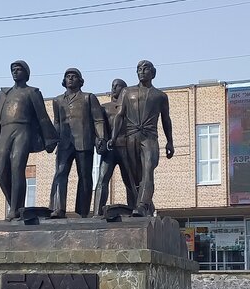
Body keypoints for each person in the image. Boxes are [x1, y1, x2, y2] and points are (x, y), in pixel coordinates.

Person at [0, 60, 58, 220]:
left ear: (26, 73)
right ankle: (14, 205)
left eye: (19, 69)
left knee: (17, 167)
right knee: (1, 168)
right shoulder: (3, 94)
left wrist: (50, 138)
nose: (15, 71)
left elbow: (42, 116)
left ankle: (16, 210)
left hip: (22, 131)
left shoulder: (32, 92)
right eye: (13, 69)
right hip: (5, 131)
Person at [109, 60, 174, 217]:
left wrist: (170, 141)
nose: (142, 71)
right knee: (135, 176)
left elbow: (166, 119)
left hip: (149, 138)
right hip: (131, 138)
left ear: (153, 72)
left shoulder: (160, 96)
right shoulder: (127, 92)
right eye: (139, 69)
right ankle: (147, 207)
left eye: (146, 68)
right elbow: (119, 115)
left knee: (148, 170)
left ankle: (142, 205)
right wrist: (113, 137)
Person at [48, 68, 106, 218]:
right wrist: (51, 140)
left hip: (84, 142)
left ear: (80, 81)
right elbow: (57, 123)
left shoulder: (88, 98)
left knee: (85, 177)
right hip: (64, 143)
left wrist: (101, 137)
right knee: (60, 174)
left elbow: (98, 120)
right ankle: (58, 209)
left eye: (74, 76)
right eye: (68, 76)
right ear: (64, 80)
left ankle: (82, 212)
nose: (71, 79)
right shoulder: (58, 100)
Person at [93, 79, 137, 215]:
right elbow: (98, 128)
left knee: (130, 181)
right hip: (109, 150)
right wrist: (98, 142)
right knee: (102, 180)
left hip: (126, 148)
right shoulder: (104, 107)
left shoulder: (131, 108)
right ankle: (97, 212)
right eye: (112, 85)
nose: (113, 88)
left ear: (124, 89)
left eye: (117, 86)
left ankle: (135, 209)